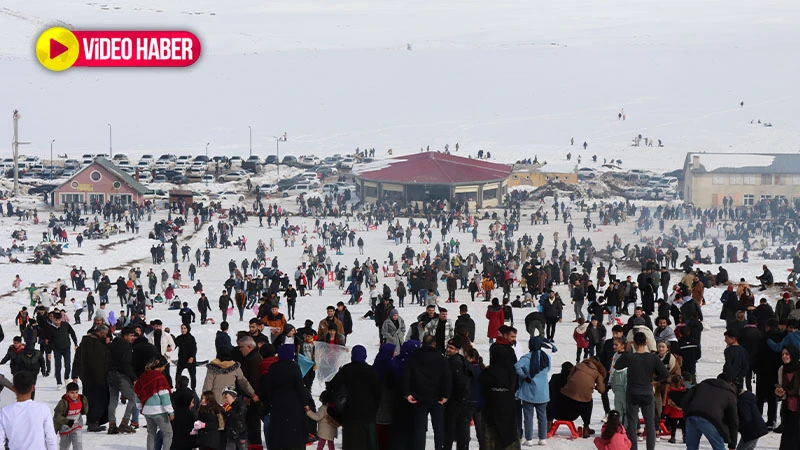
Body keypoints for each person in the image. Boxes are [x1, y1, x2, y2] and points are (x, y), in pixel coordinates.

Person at [615, 332, 669, 450]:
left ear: (633, 343)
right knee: (650, 424)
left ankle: (633, 448)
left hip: (632, 392)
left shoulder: (630, 357)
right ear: (646, 342)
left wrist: (625, 351)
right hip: (647, 392)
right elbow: (665, 374)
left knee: (632, 423)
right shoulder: (653, 357)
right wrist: (655, 380)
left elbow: (617, 366)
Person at [329, 345, 381, 449]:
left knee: (351, 442)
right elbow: (378, 392)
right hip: (368, 414)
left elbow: (333, 385)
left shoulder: (346, 369)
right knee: (367, 442)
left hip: (350, 413)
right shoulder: (371, 371)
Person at [404, 335, 452, 450]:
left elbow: (406, 376)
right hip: (437, 398)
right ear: (434, 344)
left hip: (418, 397)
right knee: (438, 428)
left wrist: (407, 393)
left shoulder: (414, 357)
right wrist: (446, 394)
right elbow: (447, 377)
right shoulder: (441, 359)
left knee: (420, 429)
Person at [0, 371, 57, 450]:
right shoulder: (43, 409)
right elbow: (51, 438)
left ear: (13, 388)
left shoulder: (4, 412)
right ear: (33, 388)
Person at [682, 373, 739, 450]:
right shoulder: (730, 394)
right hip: (710, 420)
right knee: (719, 447)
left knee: (691, 447)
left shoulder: (701, 385)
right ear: (730, 383)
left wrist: (686, 414)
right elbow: (733, 421)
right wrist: (732, 444)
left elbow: (685, 400)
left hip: (691, 415)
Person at [515, 336, 550, 446]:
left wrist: (525, 376)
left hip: (528, 392)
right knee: (542, 417)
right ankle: (542, 438)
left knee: (528, 417)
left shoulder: (526, 358)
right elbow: (548, 369)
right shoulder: (546, 357)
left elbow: (516, 366)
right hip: (543, 392)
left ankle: (529, 439)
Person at [133, 355, 174, 450]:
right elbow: (164, 396)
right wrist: (170, 412)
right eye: (164, 366)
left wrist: (140, 407)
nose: (164, 368)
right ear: (159, 366)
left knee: (151, 434)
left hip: (147, 411)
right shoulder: (160, 378)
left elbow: (138, 393)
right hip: (159, 411)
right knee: (168, 433)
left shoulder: (143, 376)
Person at [776, 346, 800, 450]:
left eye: (787, 354)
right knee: (787, 441)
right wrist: (779, 392)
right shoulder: (782, 369)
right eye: (783, 354)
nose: (784, 356)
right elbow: (781, 387)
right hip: (788, 409)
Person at [53, 382, 88, 450]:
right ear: (67, 393)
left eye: (76, 392)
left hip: (76, 426)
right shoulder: (63, 403)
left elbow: (84, 411)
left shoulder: (81, 399)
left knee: (78, 446)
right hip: (65, 428)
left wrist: (85, 404)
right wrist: (67, 421)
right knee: (64, 447)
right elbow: (56, 417)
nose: (74, 395)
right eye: (72, 392)